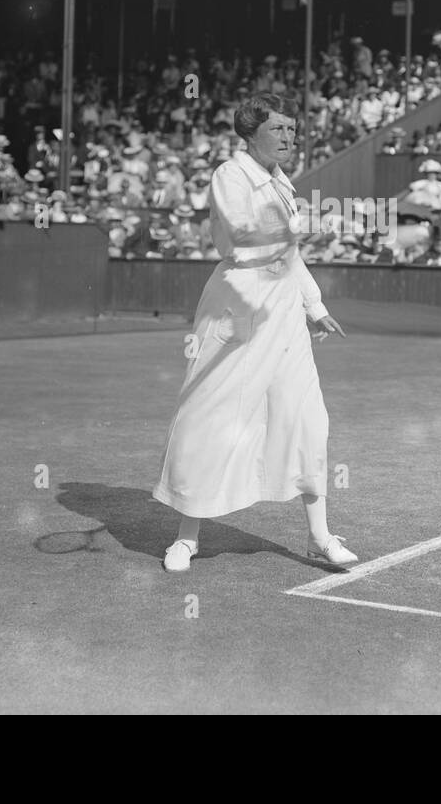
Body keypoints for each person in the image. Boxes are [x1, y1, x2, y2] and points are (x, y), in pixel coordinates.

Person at [152, 93, 354, 573]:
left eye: (292, 129)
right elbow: (243, 234)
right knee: (211, 416)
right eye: (279, 128)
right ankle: (186, 538)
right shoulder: (230, 175)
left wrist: (313, 305)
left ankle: (319, 535)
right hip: (236, 309)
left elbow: (290, 255)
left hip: (283, 314)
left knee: (307, 417)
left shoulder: (284, 183)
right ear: (251, 133)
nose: (289, 137)